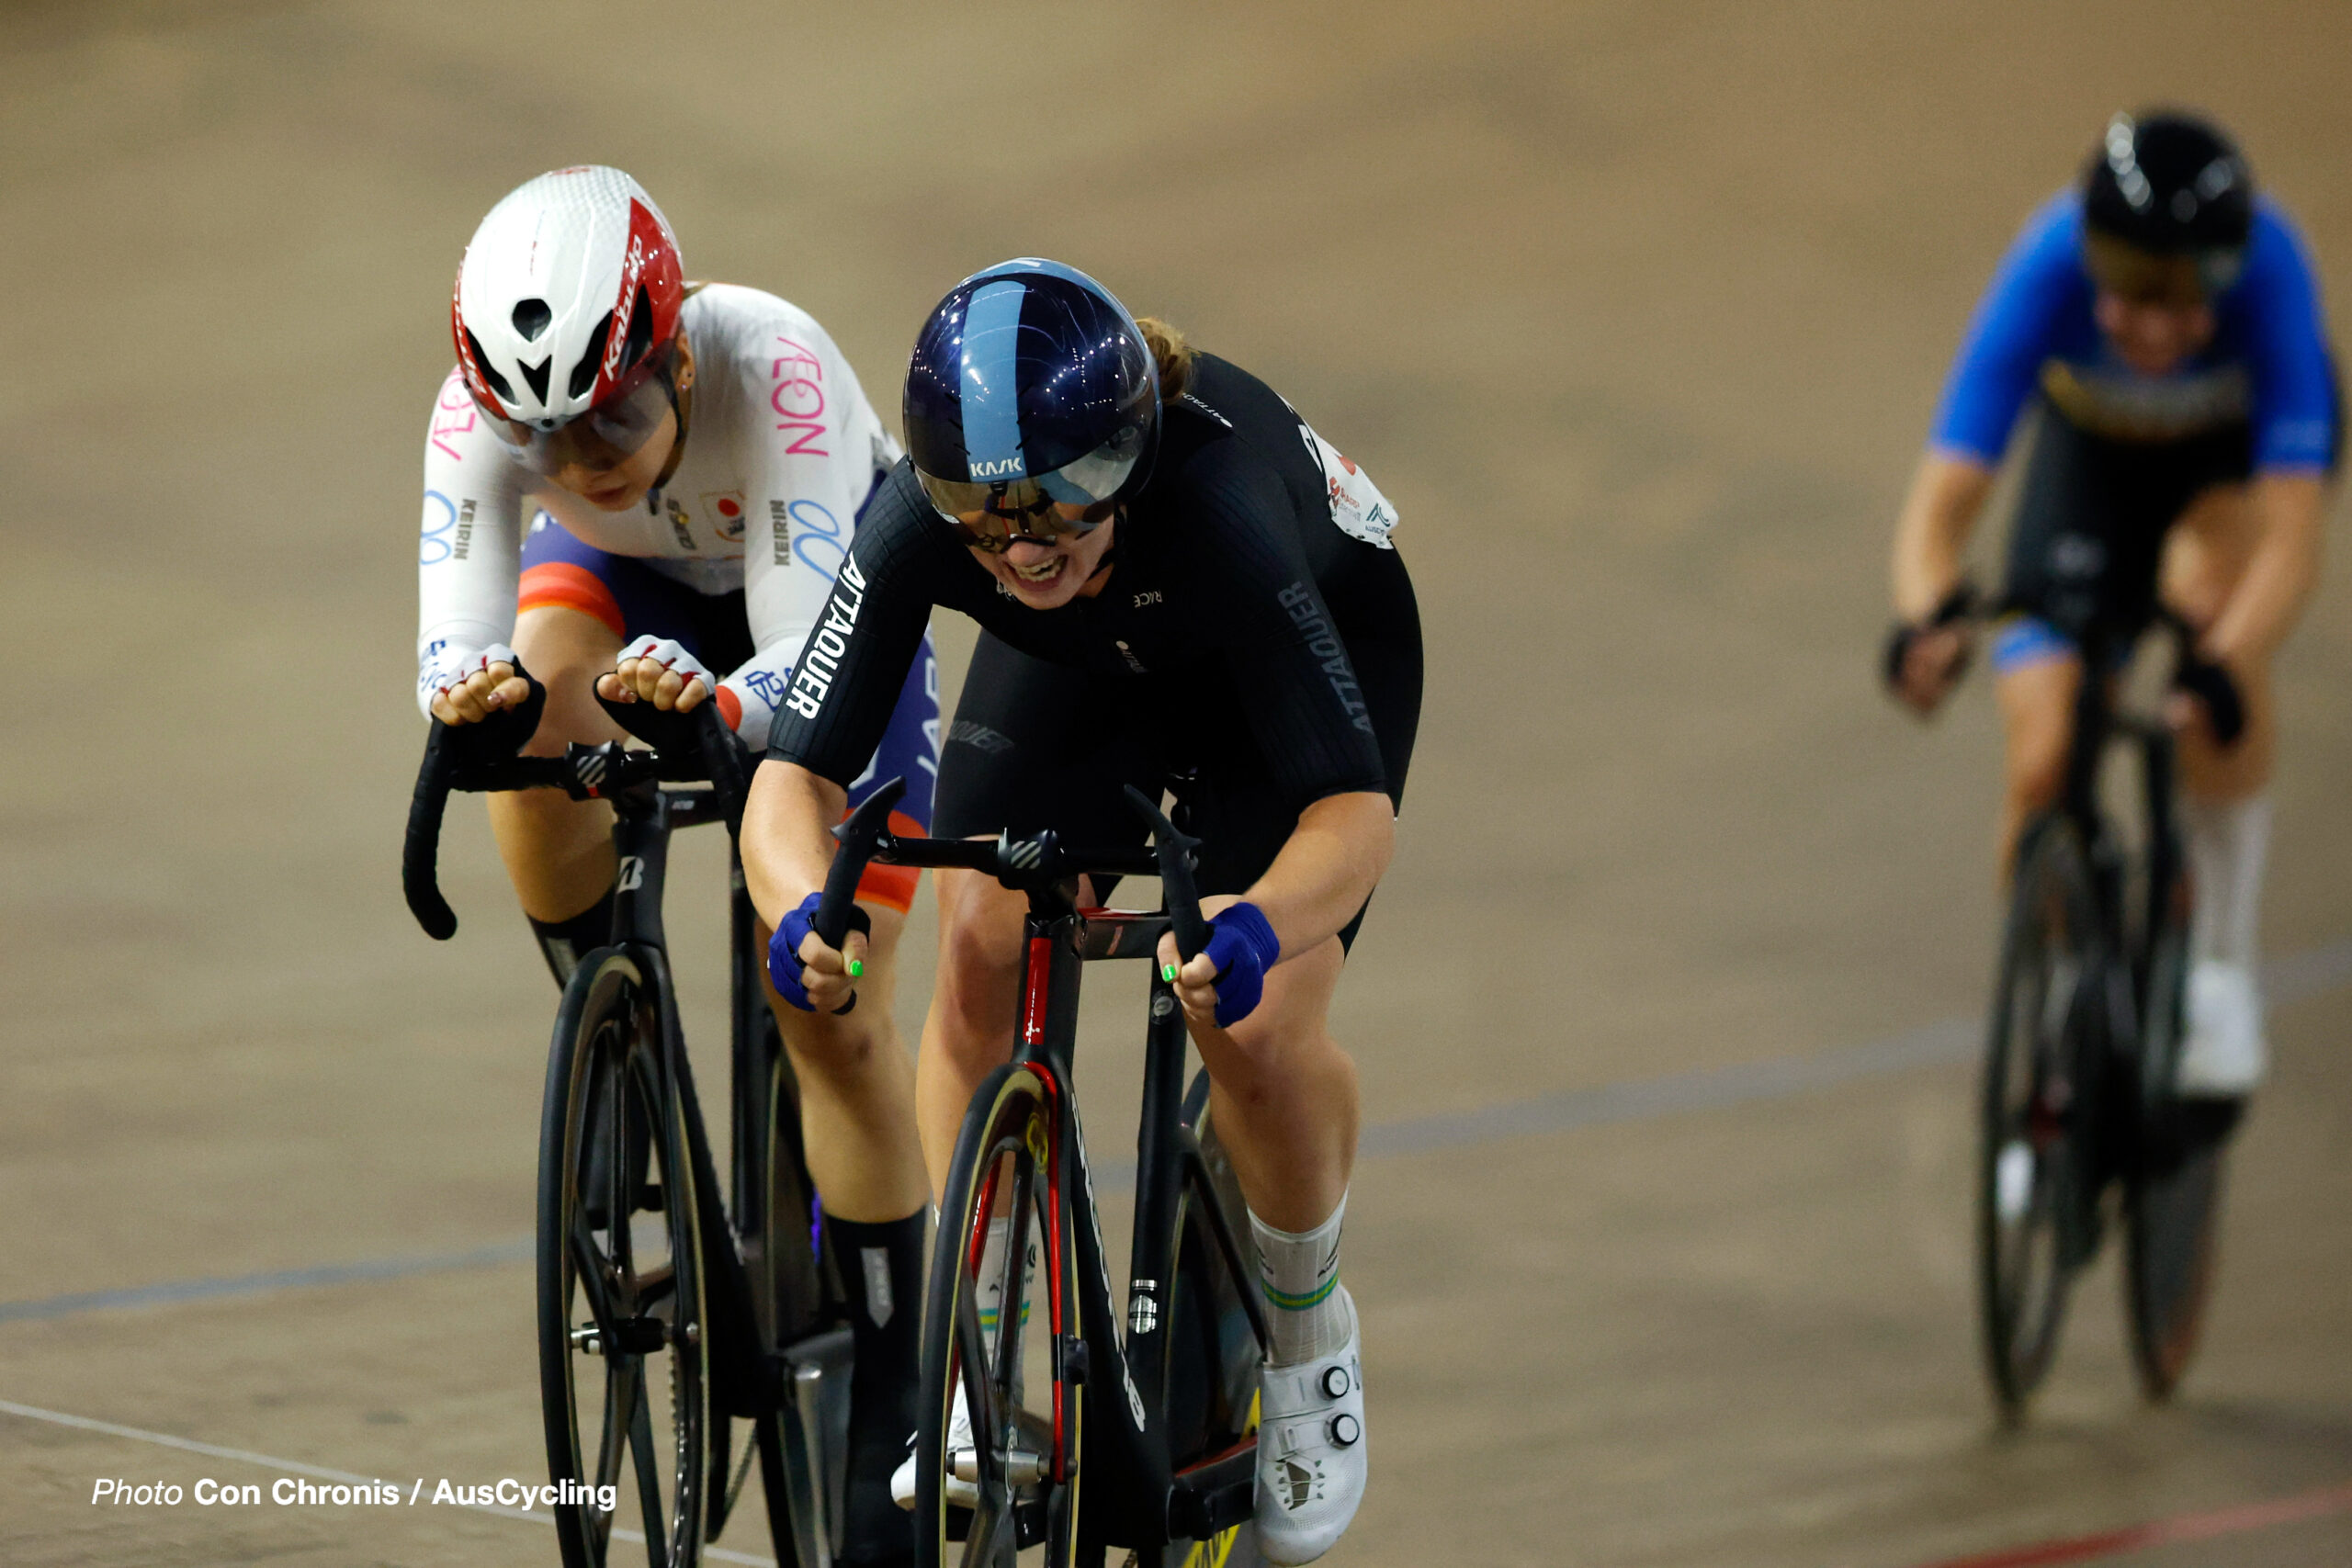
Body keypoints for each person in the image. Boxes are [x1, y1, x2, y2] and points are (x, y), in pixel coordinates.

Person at [742, 258, 1421, 1564]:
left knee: (1255, 1017)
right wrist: (794, 916)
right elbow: (794, 774)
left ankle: (1306, 1324)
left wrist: (1259, 924)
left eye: (1057, 507)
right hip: (1091, 668)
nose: (1023, 547)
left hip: (1290, 672)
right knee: (982, 940)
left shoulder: (1218, 509)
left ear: (1127, 456)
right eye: (987, 524)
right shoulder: (927, 521)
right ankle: (983, 1322)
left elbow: (1356, 816)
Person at [415, 164, 936, 1566]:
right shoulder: (481, 414)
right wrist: (479, 705)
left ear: (678, 353)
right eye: (546, 433)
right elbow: (450, 646)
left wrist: (712, 710)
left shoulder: (777, 371)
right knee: (532, 720)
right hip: (634, 595)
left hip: (827, 612)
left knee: (828, 1003)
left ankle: (896, 1373)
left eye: (622, 412)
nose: (587, 456)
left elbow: (803, 674)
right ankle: (611, 1025)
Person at [1885, 110, 2337, 1099]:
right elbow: (1944, 496)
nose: (2148, 321)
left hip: (2220, 475)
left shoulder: (2274, 275)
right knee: (2043, 747)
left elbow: (2292, 535)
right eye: (2125, 283)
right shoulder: (2046, 265)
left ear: (2229, 275)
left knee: (2212, 602)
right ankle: (2049, 993)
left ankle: (2219, 963)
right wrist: (1926, 620)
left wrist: (2226, 660)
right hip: (2091, 468)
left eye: (2184, 293)